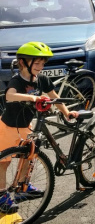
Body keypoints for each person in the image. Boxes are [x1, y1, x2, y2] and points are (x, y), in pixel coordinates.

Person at [1, 43, 78, 212]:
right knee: (3, 163)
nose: (40, 67)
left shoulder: (42, 79)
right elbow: (10, 95)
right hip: (8, 127)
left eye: (43, 64)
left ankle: (23, 187)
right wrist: (33, 98)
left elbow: (54, 96)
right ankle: (1, 195)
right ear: (23, 63)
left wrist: (66, 113)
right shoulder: (17, 80)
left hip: (26, 126)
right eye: (37, 64)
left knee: (29, 156)